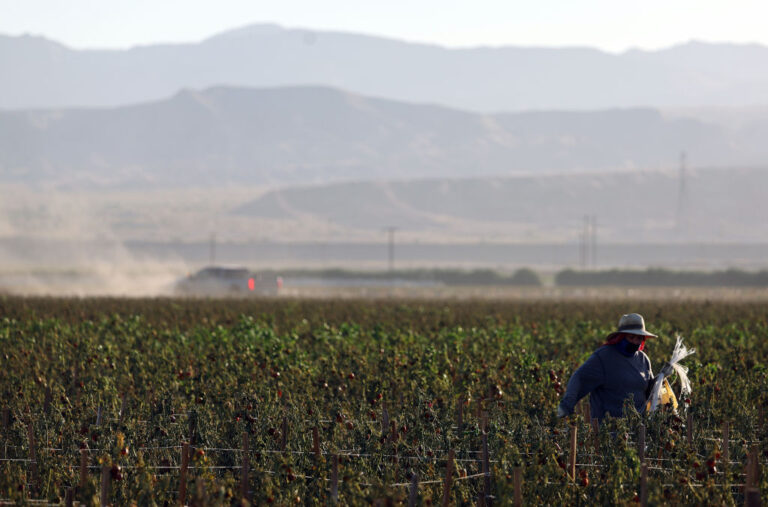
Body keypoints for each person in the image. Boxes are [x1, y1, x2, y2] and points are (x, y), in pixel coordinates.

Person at [557, 313, 672, 421]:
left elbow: (648, 391)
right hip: (608, 430)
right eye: (631, 337)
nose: (635, 342)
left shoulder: (643, 359)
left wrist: (661, 376)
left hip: (637, 426)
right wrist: (566, 405)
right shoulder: (604, 357)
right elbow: (580, 378)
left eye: (639, 338)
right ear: (621, 337)